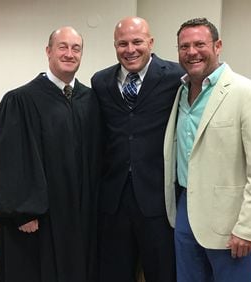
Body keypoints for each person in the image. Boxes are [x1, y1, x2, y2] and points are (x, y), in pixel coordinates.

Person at [0, 26, 102, 282]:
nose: (69, 53)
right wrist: (23, 212)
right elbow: (8, 161)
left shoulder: (89, 100)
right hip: (38, 220)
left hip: (79, 217)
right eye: (62, 47)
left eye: (75, 48)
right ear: (48, 51)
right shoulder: (20, 100)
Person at [163, 17, 251, 282]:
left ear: (218, 46)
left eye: (199, 44)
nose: (192, 52)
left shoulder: (247, 93)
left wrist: (247, 228)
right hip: (184, 212)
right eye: (184, 46)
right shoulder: (179, 92)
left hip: (229, 225)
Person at [91, 16, 184, 282]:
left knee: (162, 273)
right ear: (115, 46)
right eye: (122, 43)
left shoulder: (177, 77)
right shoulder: (100, 82)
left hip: (157, 200)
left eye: (137, 42)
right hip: (113, 201)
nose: (130, 49)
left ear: (151, 42)